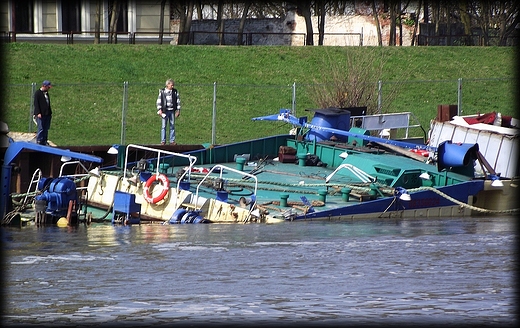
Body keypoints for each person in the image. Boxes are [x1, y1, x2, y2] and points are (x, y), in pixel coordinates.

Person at [156, 79, 181, 145]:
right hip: (165, 111)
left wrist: (178, 110)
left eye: (173, 85)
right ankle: (163, 141)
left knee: (172, 126)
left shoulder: (175, 92)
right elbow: (159, 101)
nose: (172, 87)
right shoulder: (162, 92)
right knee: (163, 126)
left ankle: (172, 141)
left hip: (172, 111)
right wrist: (159, 109)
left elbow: (178, 101)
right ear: (167, 85)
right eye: (171, 85)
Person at [33, 80, 52, 145]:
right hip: (41, 114)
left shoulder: (46, 94)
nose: (49, 89)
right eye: (48, 87)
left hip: (47, 114)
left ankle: (44, 140)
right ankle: (39, 140)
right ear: (44, 86)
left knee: (46, 128)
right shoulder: (38, 93)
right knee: (41, 128)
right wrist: (38, 113)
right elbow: (36, 103)